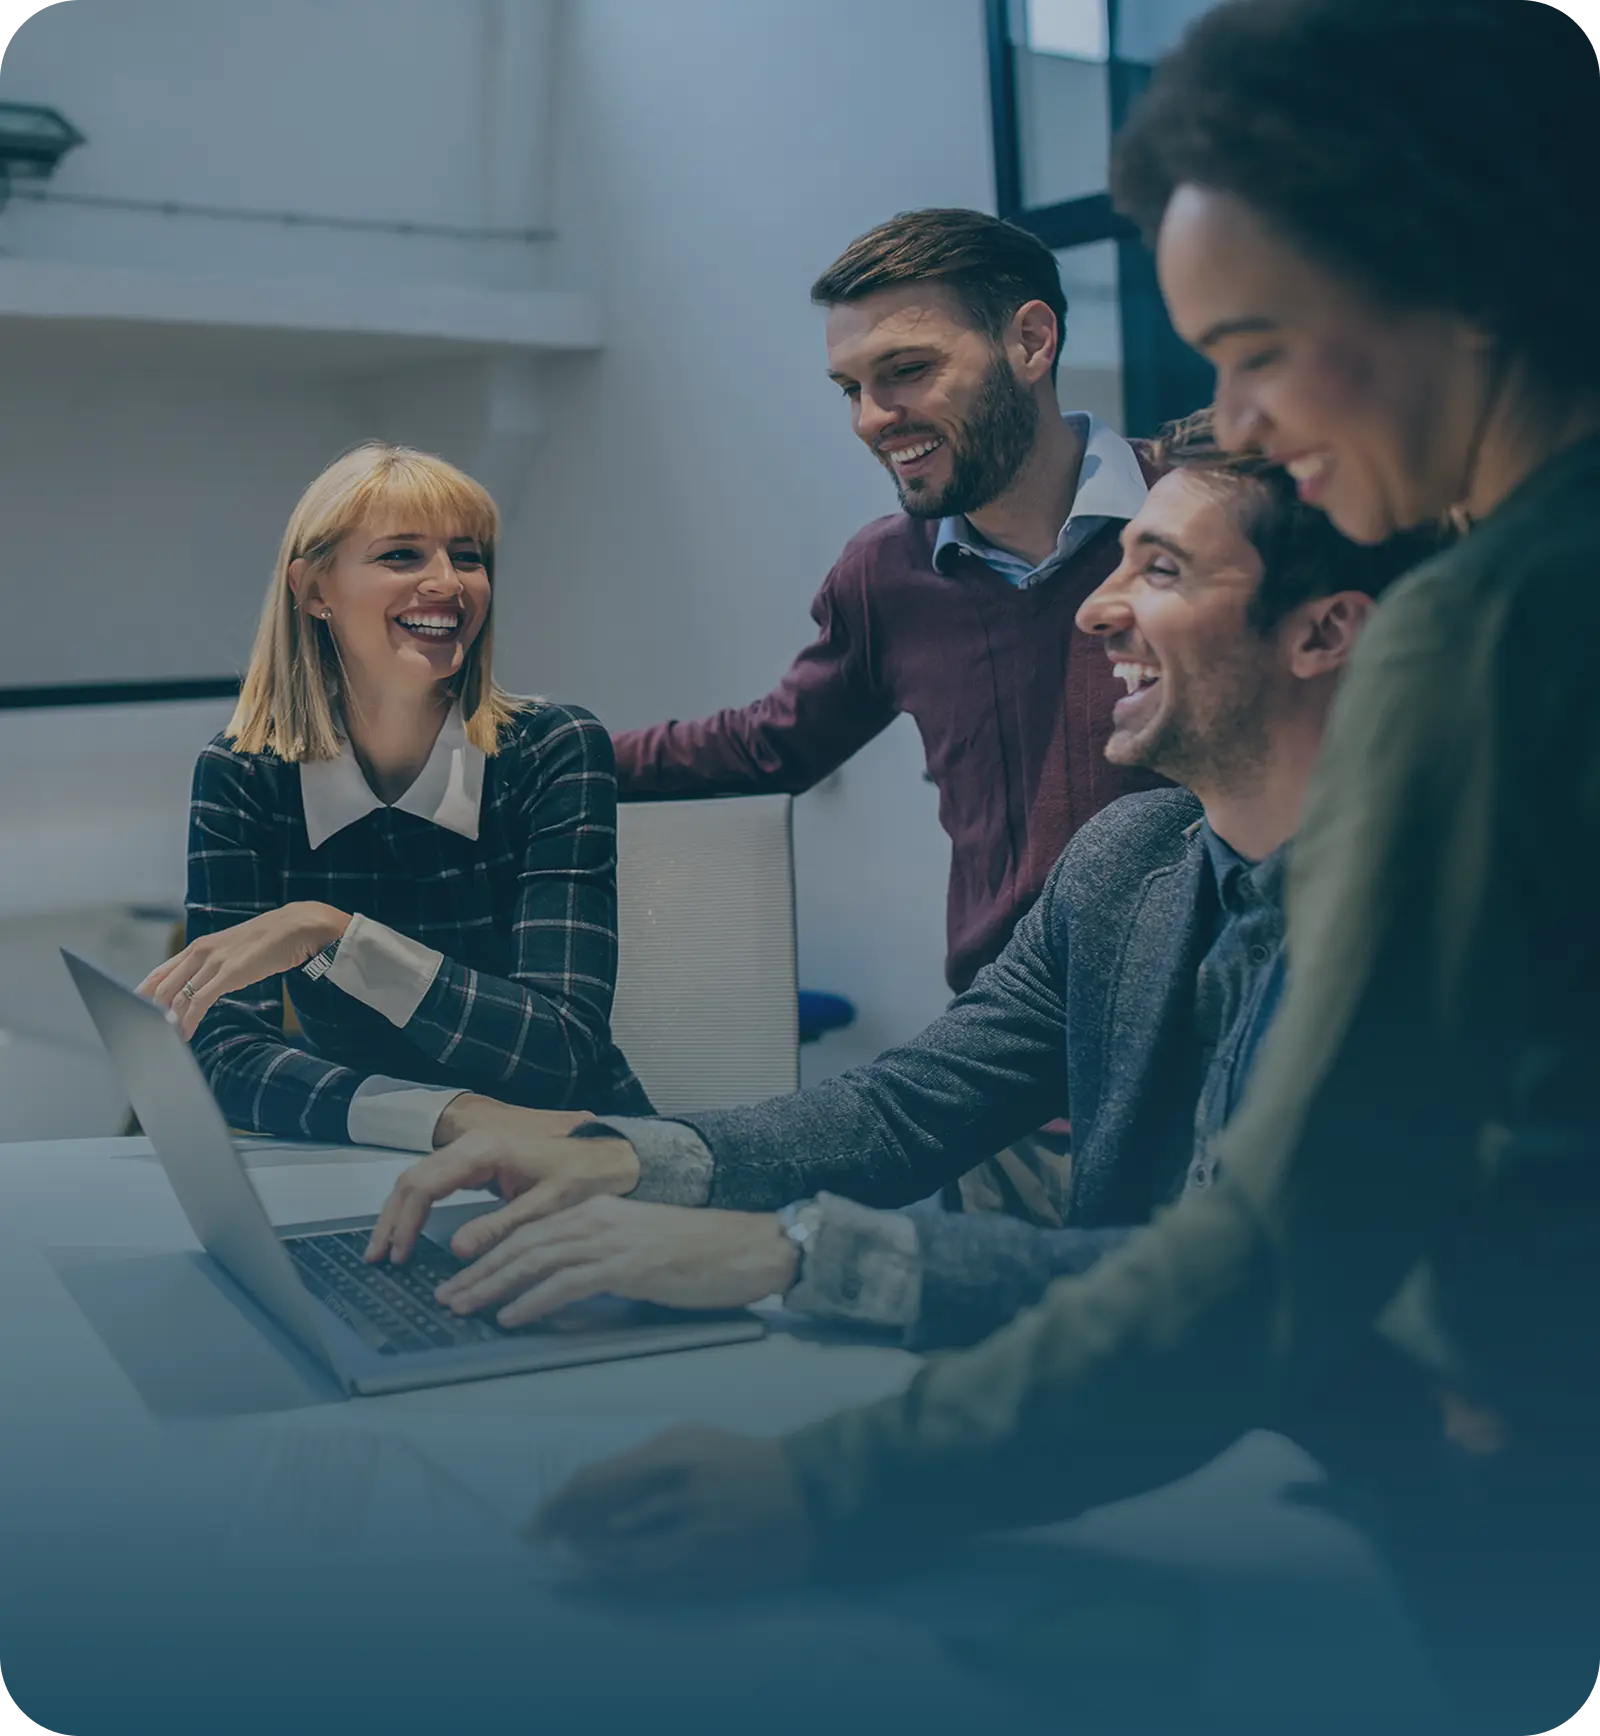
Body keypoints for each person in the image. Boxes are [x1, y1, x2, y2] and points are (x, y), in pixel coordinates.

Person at [523, 3, 1600, 1729]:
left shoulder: (1483, 631)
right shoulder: (1110, 822)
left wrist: (821, 1424)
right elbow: (804, 815)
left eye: (1257, 347)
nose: (1232, 415)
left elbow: (1284, 1253)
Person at [367, 413, 1440, 1362]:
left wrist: (787, 1253)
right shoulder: (1130, 860)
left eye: (1159, 571)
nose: (1094, 609)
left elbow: (1265, 1289)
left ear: (1321, 632)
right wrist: (611, 1159)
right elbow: (904, 1107)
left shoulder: (1442, 928)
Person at [612, 207, 1168, 1226]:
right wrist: (545, 754)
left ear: (1031, 341)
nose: (874, 417)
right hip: (1002, 1117)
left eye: (906, 371)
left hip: (1201, 1097)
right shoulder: (885, 575)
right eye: (851, 389)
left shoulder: (1199, 522)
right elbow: (770, 745)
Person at [140, 442, 651, 1154]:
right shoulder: (243, 775)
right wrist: (443, 1118)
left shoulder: (553, 749)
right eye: (402, 555)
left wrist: (333, 935)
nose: (448, 582)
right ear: (313, 591)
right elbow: (223, 1053)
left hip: (576, 1157)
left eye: (467, 557)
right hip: (374, 1159)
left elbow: (557, 1052)